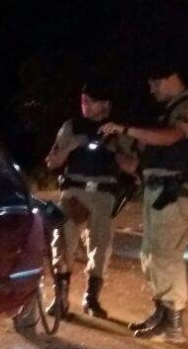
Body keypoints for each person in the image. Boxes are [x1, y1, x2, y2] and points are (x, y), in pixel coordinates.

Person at [100, 60, 188, 343]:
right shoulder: (166, 112)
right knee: (151, 255)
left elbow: (170, 138)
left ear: (173, 77)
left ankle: (173, 324)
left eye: (155, 82)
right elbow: (143, 161)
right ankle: (162, 314)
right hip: (156, 189)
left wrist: (127, 129)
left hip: (173, 190)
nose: (151, 88)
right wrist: (117, 152)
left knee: (165, 255)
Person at [44, 83, 133, 319]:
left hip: (104, 194)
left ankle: (92, 299)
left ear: (105, 104)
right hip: (75, 193)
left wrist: (115, 149)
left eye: (90, 100)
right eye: (83, 99)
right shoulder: (72, 126)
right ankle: (60, 298)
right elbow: (52, 162)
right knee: (63, 243)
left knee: (100, 246)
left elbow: (132, 166)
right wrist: (72, 145)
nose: (84, 104)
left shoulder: (117, 130)